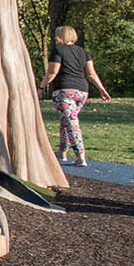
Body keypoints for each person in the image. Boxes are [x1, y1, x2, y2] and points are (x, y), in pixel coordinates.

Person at [38, 25, 111, 167]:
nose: (54, 38)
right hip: (82, 91)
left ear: (60, 36)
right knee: (67, 120)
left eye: (56, 35)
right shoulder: (83, 52)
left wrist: (41, 87)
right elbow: (91, 74)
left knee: (71, 122)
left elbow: (52, 72)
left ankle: (80, 156)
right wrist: (102, 89)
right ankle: (62, 152)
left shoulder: (58, 50)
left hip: (64, 90)